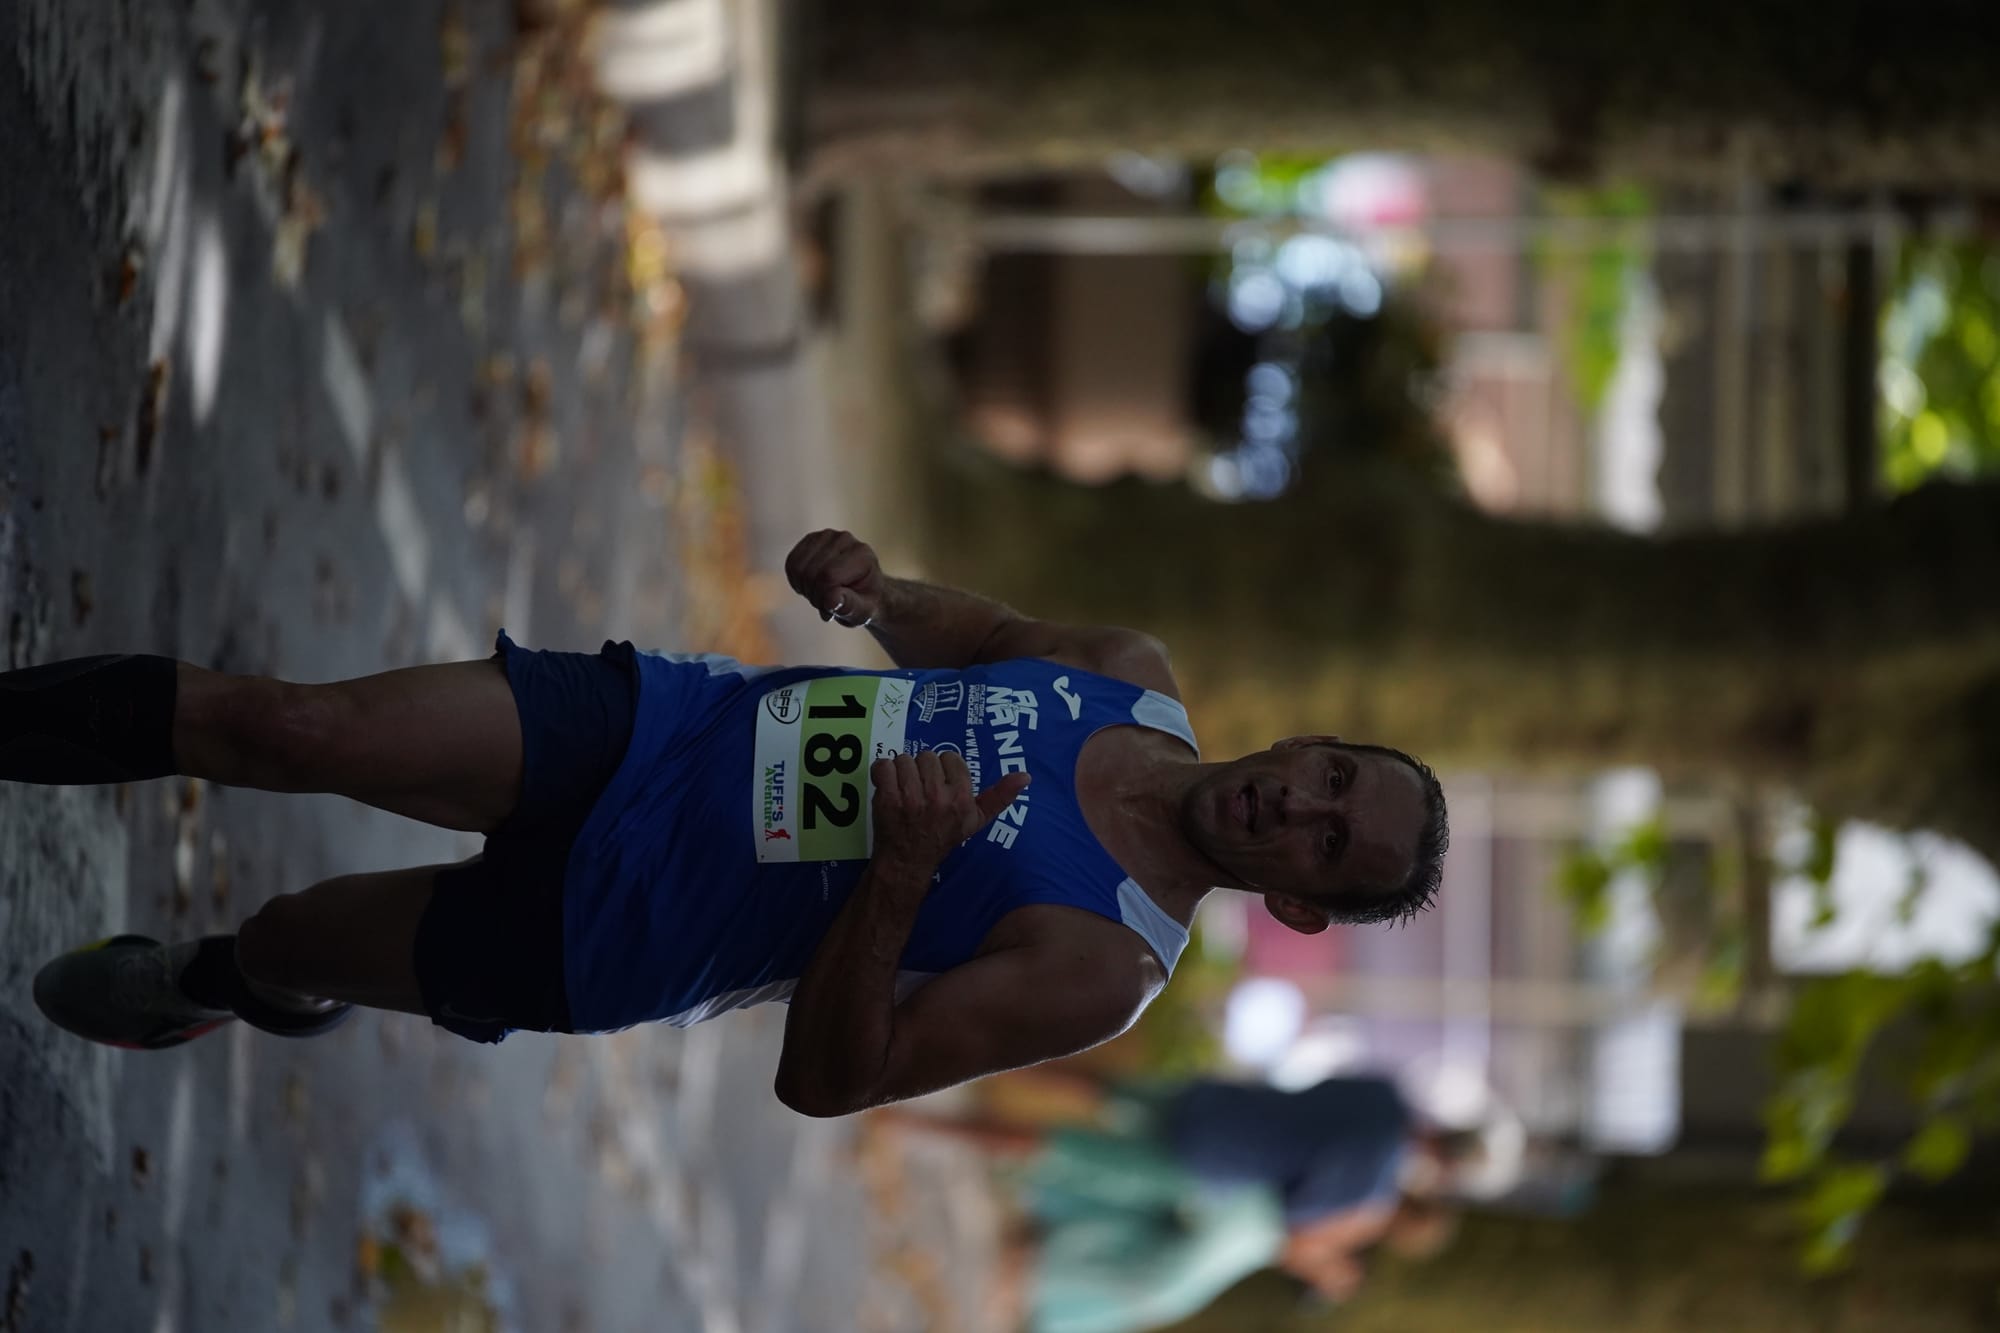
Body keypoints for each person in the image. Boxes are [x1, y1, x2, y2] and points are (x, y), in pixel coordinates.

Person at [30, 530, 1448, 1115]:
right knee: (291, 729)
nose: (1301, 806)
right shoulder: (1127, 674)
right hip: (661, 727)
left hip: (621, 933)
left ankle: (230, 982)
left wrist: (899, 879)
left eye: (1329, 843)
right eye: (1333, 779)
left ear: (1302, 905)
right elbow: (991, 630)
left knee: (294, 935)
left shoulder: (1105, 971)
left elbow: (836, 1081)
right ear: (1312, 740)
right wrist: (877, 595)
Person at [874, 1069, 1477, 1332]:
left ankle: (983, 1061)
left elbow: (1315, 1089)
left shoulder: (1383, 1094)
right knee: (1062, 1150)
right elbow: (1291, 1221)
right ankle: (911, 1128)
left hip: (1218, 1106)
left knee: (1094, 1088)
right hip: (1208, 1173)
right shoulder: (1368, 1196)